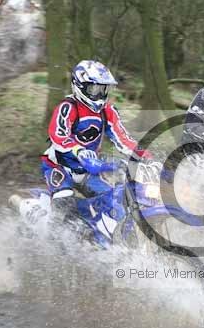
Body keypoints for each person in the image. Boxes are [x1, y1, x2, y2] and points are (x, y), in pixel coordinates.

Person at [41, 60, 151, 228]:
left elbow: (123, 138)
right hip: (59, 165)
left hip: (89, 169)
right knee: (64, 201)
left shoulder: (107, 111)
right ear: (80, 86)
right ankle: (52, 237)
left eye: (103, 89)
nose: (100, 94)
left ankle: (98, 235)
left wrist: (146, 157)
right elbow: (58, 135)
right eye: (95, 89)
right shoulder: (68, 107)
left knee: (112, 199)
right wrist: (78, 150)